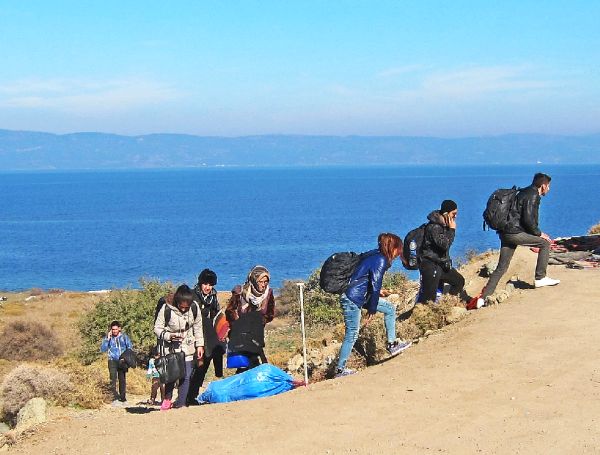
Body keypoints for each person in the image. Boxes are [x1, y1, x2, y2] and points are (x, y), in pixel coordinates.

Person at [335, 233, 412, 378]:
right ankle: (340, 370)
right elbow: (375, 286)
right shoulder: (380, 260)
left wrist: (378, 294)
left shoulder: (375, 256)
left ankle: (392, 344)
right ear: (393, 248)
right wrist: (372, 310)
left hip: (359, 296)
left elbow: (366, 281)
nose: (399, 253)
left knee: (389, 309)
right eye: (399, 249)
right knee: (352, 333)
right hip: (353, 298)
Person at [478, 172, 559, 308]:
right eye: (549, 186)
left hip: (505, 232)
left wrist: (533, 236)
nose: (549, 189)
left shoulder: (522, 192)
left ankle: (483, 298)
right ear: (543, 186)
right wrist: (539, 234)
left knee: (502, 267)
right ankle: (540, 277)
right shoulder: (533, 196)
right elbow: (528, 220)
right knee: (545, 243)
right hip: (514, 233)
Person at [154, 284, 204, 410]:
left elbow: (198, 327)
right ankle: (167, 399)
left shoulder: (194, 307)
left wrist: (200, 345)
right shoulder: (166, 308)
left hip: (187, 345)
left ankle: (181, 403)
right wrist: (169, 336)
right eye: (181, 307)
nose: (183, 310)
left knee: (186, 375)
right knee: (172, 374)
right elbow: (157, 328)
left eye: (186, 308)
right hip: (171, 347)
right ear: (177, 301)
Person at [186, 268, 226, 405]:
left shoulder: (213, 297)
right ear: (200, 283)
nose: (208, 287)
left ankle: (192, 396)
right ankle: (185, 396)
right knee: (193, 368)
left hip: (208, 337)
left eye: (210, 285)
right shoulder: (192, 296)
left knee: (203, 367)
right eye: (205, 284)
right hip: (193, 336)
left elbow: (216, 316)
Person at [225, 266, 275, 372]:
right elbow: (230, 312)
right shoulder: (239, 293)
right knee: (247, 364)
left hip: (256, 336)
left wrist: (259, 321)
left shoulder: (268, 294)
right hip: (241, 336)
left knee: (254, 364)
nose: (263, 284)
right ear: (253, 280)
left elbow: (270, 314)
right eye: (261, 281)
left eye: (266, 281)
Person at [417, 200, 465, 303]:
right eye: (454, 214)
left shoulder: (443, 225)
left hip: (441, 265)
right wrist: (452, 230)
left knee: (459, 281)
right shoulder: (434, 227)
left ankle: (448, 304)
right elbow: (445, 245)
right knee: (428, 299)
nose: (455, 216)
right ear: (446, 214)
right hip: (431, 266)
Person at [100, 320, 133, 405]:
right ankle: (113, 397)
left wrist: (125, 358)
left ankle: (123, 398)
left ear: (119, 329)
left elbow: (130, 348)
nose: (114, 331)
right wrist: (107, 338)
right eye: (113, 329)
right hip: (112, 360)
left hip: (122, 361)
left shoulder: (124, 337)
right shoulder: (108, 338)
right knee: (113, 379)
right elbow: (103, 349)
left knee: (122, 379)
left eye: (116, 329)